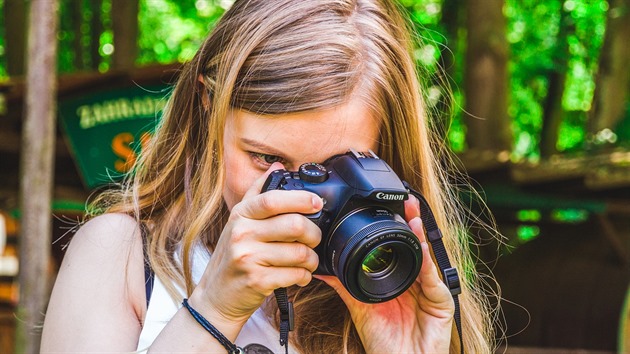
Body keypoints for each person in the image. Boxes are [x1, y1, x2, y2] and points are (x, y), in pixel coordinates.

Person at [41, 0, 496, 353]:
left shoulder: (400, 289)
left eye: (338, 168)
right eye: (265, 158)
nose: (300, 200)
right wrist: (213, 310)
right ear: (208, 108)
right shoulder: (121, 256)